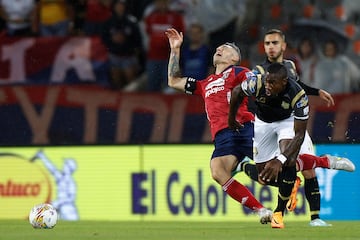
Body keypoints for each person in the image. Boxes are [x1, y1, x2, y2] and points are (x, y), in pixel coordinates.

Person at [165, 27, 273, 223]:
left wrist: (255, 82)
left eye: (226, 48)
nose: (220, 49)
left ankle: (315, 164)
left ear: (234, 59)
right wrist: (175, 50)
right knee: (217, 171)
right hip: (222, 136)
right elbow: (173, 81)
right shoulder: (204, 84)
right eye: (219, 47)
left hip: (244, 127)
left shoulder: (238, 72)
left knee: (269, 174)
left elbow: (252, 82)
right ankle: (260, 210)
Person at [249, 28, 336, 227]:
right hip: (267, 124)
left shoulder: (289, 65)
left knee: (307, 170)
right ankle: (247, 169)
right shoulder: (259, 72)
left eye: (275, 43)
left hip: (290, 121)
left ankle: (315, 219)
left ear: (284, 46)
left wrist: (317, 91)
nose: (271, 47)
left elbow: (296, 87)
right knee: (265, 173)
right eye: (267, 43)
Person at [228, 62, 310, 229]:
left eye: (272, 83)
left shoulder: (299, 96)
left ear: (284, 82)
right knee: (263, 177)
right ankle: (289, 181)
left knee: (289, 160)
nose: (267, 86)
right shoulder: (256, 83)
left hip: (286, 121)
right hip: (263, 123)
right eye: (266, 81)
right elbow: (237, 92)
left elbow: (300, 134)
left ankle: (278, 214)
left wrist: (279, 160)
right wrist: (231, 119)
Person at [101, 0, 145, 90]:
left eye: (122, 5)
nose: (120, 7)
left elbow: (138, 40)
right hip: (114, 55)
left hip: (128, 56)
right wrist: (112, 40)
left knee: (130, 78)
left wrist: (126, 42)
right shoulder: (109, 22)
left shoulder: (132, 22)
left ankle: (132, 99)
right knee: (116, 78)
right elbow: (104, 38)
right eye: (118, 5)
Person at [144, 0, 185, 92]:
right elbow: (148, 32)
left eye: (164, 2)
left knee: (170, 88)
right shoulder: (151, 17)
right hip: (153, 57)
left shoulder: (175, 17)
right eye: (159, 2)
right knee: (152, 85)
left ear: (168, 3)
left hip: (169, 58)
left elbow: (181, 34)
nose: (161, 4)